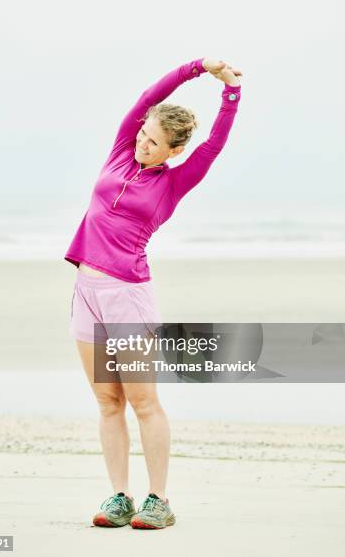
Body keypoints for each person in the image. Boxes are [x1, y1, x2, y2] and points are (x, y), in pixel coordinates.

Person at [65, 56, 242, 529]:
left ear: (171, 152)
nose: (143, 145)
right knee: (107, 402)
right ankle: (118, 497)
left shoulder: (174, 182)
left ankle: (158, 501)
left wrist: (230, 92)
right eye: (143, 136)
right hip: (87, 291)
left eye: (154, 143)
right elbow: (148, 100)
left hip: (127, 296)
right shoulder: (121, 150)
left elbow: (215, 145)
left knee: (143, 402)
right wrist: (196, 68)